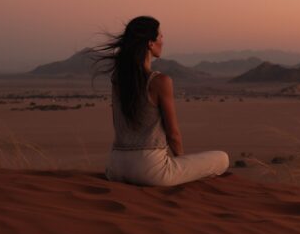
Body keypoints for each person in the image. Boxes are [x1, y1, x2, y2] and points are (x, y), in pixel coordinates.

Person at [94, 16, 229, 186]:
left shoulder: (117, 80)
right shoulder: (159, 81)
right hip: (149, 170)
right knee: (222, 158)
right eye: (160, 36)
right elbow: (173, 134)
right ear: (150, 43)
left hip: (114, 168)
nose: (163, 40)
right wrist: (182, 164)